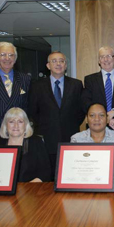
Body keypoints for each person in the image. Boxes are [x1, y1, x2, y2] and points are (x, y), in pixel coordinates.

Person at [29, 51, 84, 179]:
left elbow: (81, 110)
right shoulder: (37, 86)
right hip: (47, 140)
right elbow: (33, 111)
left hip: (70, 137)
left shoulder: (76, 84)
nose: (58, 64)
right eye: (54, 61)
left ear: (65, 65)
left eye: (61, 61)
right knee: (49, 177)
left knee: (70, 176)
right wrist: (45, 126)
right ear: (48, 66)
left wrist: (72, 124)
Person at [81, 46, 114, 145]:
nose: (106, 59)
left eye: (109, 56)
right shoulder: (90, 80)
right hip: (96, 128)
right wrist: (105, 117)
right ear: (99, 61)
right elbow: (86, 103)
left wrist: (113, 113)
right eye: (102, 57)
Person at [71, 103, 114, 181]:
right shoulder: (76, 139)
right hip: (85, 185)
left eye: (101, 115)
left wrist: (110, 185)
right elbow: (73, 168)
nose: (97, 119)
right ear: (86, 119)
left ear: (107, 119)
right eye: (92, 115)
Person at [0, 108, 51, 182]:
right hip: (3, 190)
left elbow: (46, 172)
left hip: (31, 190)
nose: (16, 126)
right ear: (6, 125)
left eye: (20, 122)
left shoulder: (36, 143)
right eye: (11, 122)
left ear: (25, 125)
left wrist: (28, 187)